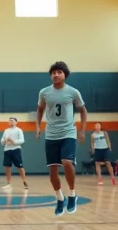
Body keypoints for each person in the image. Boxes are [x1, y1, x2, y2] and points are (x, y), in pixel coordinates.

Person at [36, 61, 87, 216]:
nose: (56, 75)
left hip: (68, 133)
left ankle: (72, 194)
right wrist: (38, 126)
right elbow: (39, 109)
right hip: (51, 134)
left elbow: (83, 111)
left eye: (59, 72)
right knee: (52, 171)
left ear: (65, 75)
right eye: (53, 73)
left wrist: (82, 130)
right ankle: (60, 198)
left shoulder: (73, 92)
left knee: (66, 162)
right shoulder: (44, 92)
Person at [0, 117, 28, 190]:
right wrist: (4, 141)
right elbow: (2, 140)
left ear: (16, 122)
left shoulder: (19, 130)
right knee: (7, 167)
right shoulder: (6, 131)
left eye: (12, 121)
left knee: (20, 167)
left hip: (16, 149)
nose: (10, 122)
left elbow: (22, 140)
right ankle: (8, 184)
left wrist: (13, 141)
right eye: (9, 121)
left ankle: (24, 181)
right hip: (7, 150)